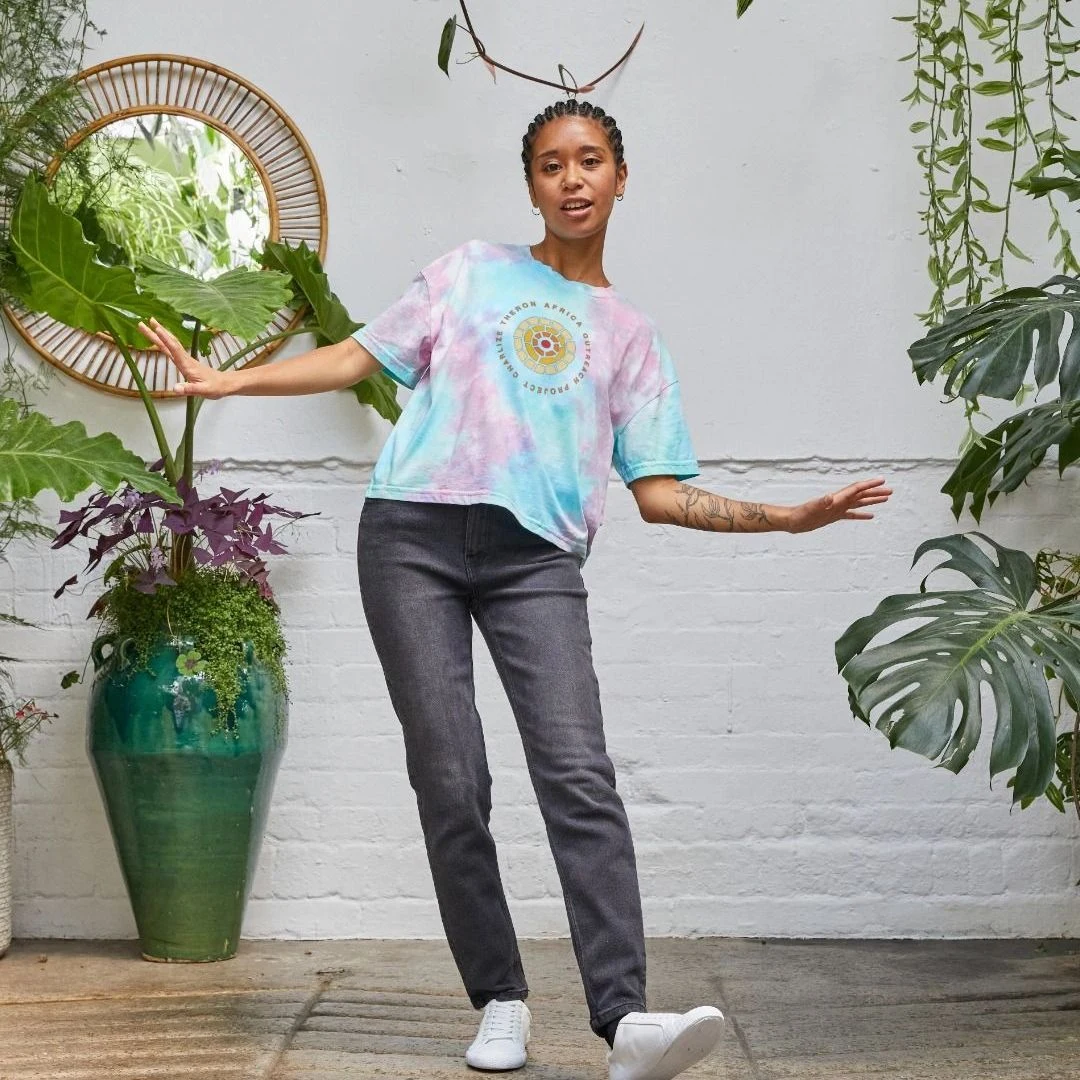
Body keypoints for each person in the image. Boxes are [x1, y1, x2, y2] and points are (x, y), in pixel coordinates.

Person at [140, 98, 891, 1080]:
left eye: (590, 160)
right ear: (531, 184)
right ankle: (499, 998)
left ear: (621, 176)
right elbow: (360, 355)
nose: (572, 178)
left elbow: (660, 494)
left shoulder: (631, 335)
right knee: (451, 776)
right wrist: (228, 382)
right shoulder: (470, 272)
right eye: (551, 164)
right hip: (410, 536)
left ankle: (626, 1022)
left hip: (536, 558)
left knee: (578, 773)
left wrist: (785, 518)